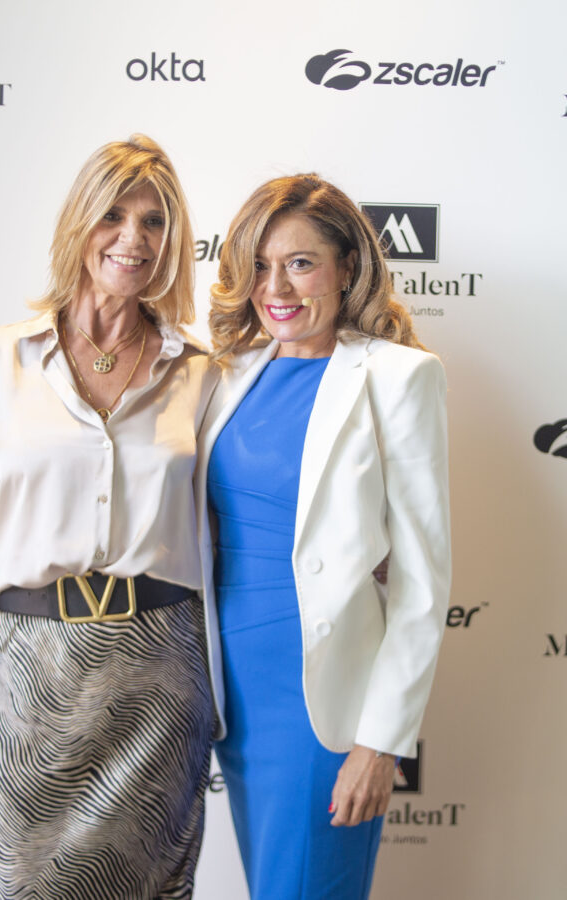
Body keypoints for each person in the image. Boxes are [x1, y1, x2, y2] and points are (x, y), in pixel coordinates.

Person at [0, 135, 216, 900]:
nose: (133, 239)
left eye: (154, 221)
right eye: (113, 215)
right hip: (34, 682)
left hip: (161, 682)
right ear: (78, 224)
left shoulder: (201, 373)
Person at [194, 174, 452, 899]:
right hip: (231, 696)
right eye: (260, 265)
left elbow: (423, 583)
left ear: (347, 268)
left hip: (324, 707)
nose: (276, 287)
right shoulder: (226, 376)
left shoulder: (400, 377)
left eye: (301, 263)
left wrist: (381, 743)